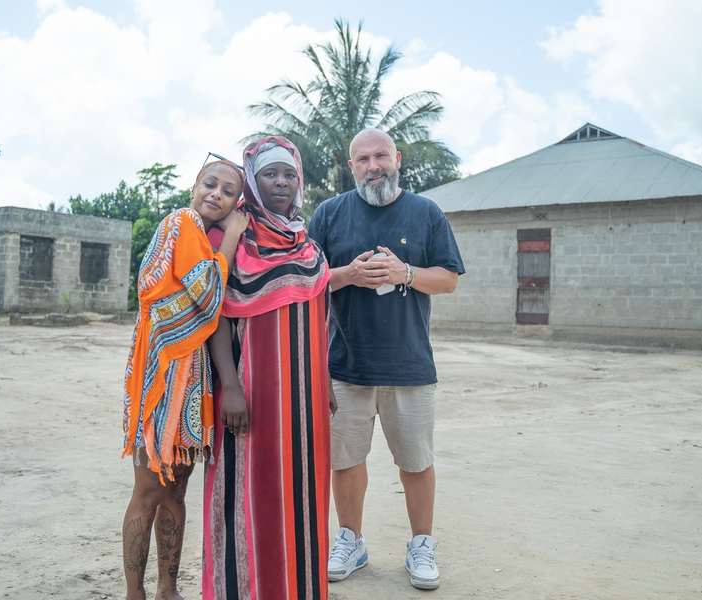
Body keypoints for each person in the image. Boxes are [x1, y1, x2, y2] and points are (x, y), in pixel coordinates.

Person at [307, 128, 465, 591]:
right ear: (351, 166)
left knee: (415, 462)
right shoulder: (329, 214)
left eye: (381, 156)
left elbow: (449, 279)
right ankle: (351, 540)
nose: (374, 165)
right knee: (345, 459)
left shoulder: (426, 213)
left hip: (410, 366)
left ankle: (421, 546)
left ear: (397, 159)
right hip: (345, 365)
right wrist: (348, 273)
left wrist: (407, 272)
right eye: (363, 159)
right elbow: (307, 279)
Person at [202, 136, 335, 600]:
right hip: (252, 392)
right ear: (253, 184)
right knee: (247, 495)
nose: (280, 182)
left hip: (306, 398)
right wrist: (230, 386)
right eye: (269, 174)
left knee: (302, 494)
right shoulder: (232, 237)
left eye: (288, 174)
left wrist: (326, 381)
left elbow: (318, 316)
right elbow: (215, 311)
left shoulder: (308, 244)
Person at [121, 159, 249, 600]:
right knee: (150, 488)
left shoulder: (192, 230)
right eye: (210, 184)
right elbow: (209, 292)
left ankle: (167, 590)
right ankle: (135, 594)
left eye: (228, 191)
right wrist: (232, 235)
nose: (216, 193)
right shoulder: (182, 224)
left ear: (237, 199)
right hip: (164, 377)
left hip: (190, 381)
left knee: (176, 486)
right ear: (194, 186)